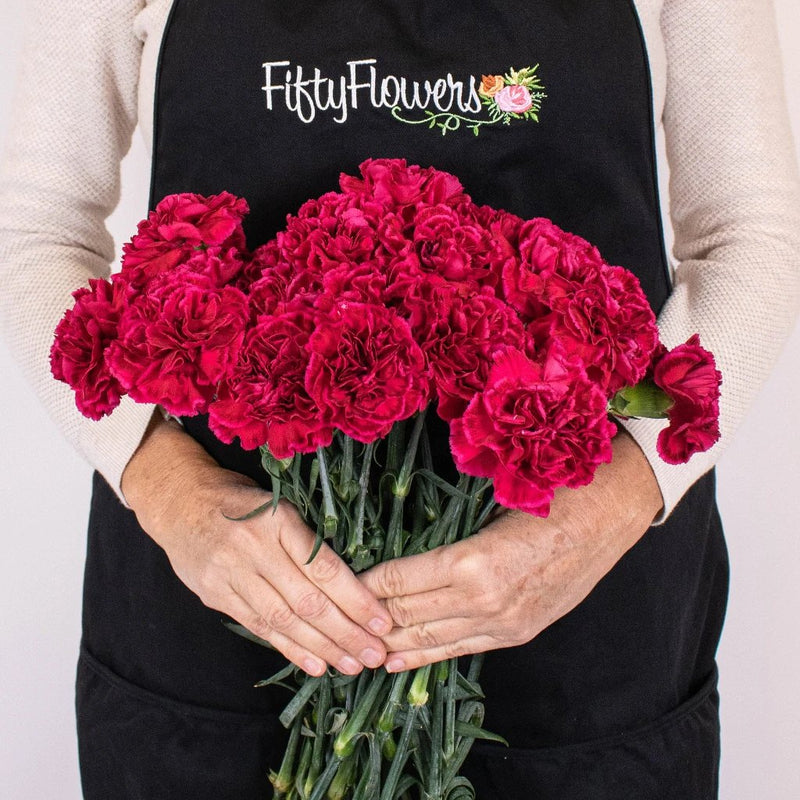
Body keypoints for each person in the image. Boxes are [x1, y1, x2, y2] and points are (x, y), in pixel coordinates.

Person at [1, 1, 798, 798]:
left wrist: (616, 501)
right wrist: (168, 487)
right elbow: (35, 225)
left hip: (582, 616)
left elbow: (751, 233)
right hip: (219, 612)